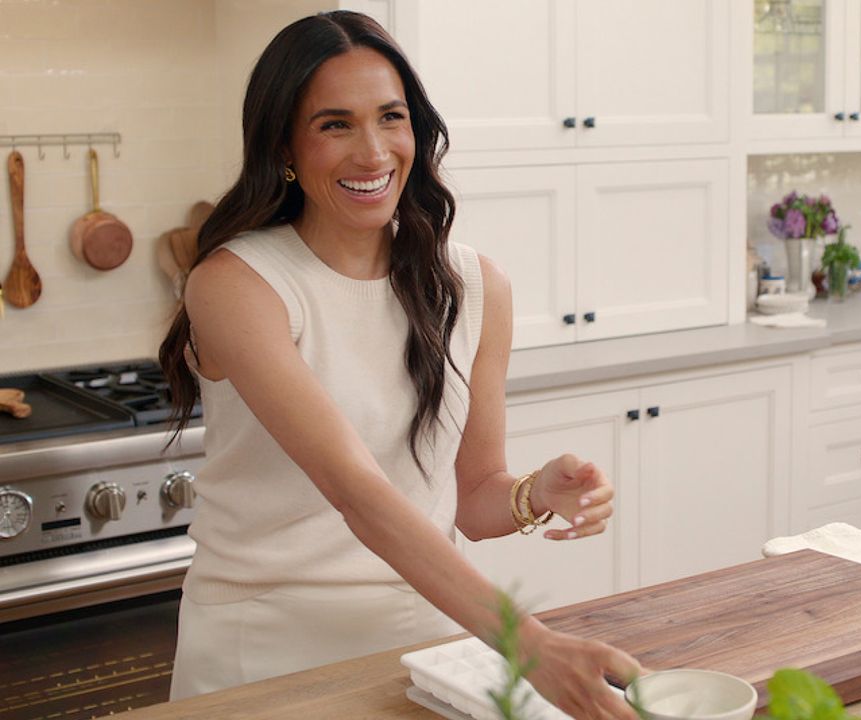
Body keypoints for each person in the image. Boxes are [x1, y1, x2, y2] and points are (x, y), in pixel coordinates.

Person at [158, 11, 641, 719]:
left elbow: (472, 501)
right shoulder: (238, 285)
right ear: (284, 145)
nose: (373, 151)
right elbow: (357, 492)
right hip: (261, 655)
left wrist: (537, 493)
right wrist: (530, 644)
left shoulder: (474, 285)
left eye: (392, 117)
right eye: (334, 125)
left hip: (427, 647)